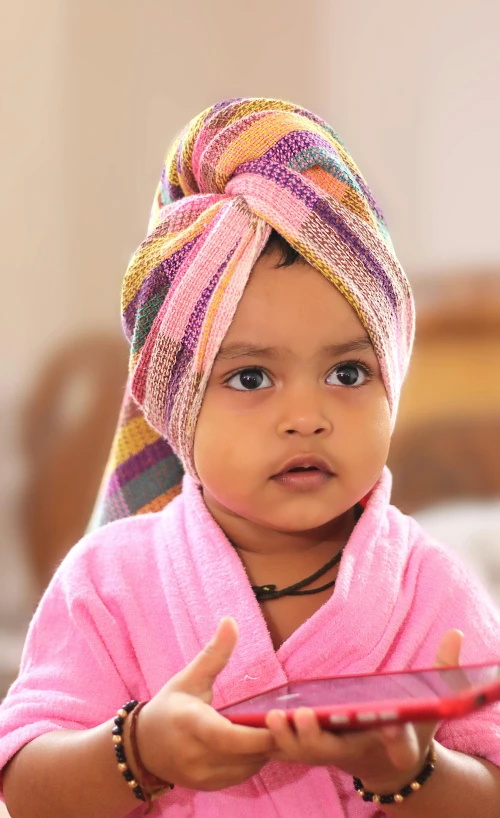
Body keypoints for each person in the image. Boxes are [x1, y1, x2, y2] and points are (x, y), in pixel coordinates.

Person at [1, 98, 500, 818]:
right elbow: (26, 789)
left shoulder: (430, 591)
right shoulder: (109, 583)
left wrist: (413, 772)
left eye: (349, 373)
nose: (306, 417)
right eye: (251, 378)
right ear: (176, 407)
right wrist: (139, 751)